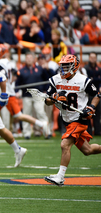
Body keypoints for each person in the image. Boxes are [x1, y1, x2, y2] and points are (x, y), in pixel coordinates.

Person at [44, 54, 101, 186]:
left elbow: (97, 95)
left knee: (65, 145)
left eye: (67, 66)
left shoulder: (83, 80)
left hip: (79, 119)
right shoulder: (55, 79)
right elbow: (47, 101)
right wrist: (55, 98)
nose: (64, 69)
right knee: (88, 150)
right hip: (67, 119)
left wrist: (91, 107)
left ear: (74, 66)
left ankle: (60, 177)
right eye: (62, 66)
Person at [16, 52, 50, 139]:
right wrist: (16, 91)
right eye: (27, 58)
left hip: (38, 95)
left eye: (30, 58)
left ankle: (47, 131)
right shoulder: (22, 71)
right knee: (26, 114)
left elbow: (46, 79)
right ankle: (26, 133)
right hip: (26, 95)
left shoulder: (40, 69)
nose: (29, 60)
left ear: (34, 59)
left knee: (41, 112)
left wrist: (46, 90)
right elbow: (17, 83)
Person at [84, 52, 101, 135]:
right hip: (88, 94)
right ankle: (89, 131)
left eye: (94, 57)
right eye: (91, 57)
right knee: (88, 111)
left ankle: (97, 131)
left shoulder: (99, 68)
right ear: (89, 58)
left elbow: (98, 80)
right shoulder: (85, 68)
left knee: (97, 112)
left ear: (96, 58)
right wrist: (96, 79)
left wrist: (94, 80)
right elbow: (88, 80)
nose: (93, 59)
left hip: (97, 93)